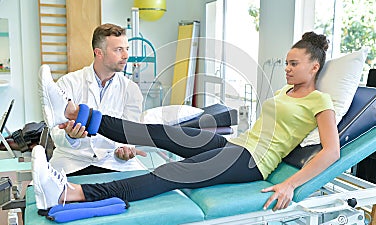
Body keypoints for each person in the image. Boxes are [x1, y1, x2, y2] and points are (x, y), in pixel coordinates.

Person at [33, 32, 340, 211]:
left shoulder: (320, 101)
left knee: (169, 173)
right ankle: (74, 113)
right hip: (236, 145)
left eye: (293, 63)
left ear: (314, 67)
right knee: (159, 132)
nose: (286, 68)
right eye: (286, 62)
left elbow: (331, 152)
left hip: (251, 162)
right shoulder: (286, 90)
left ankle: (72, 194)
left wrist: (288, 185)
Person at [48, 23, 147, 176]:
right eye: (118, 50)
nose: (126, 55)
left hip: (113, 161)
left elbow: (129, 132)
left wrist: (124, 149)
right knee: (49, 190)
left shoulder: (131, 90)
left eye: (126, 49)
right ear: (99, 53)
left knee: (144, 186)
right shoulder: (68, 83)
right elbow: (55, 131)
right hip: (72, 160)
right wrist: (69, 136)